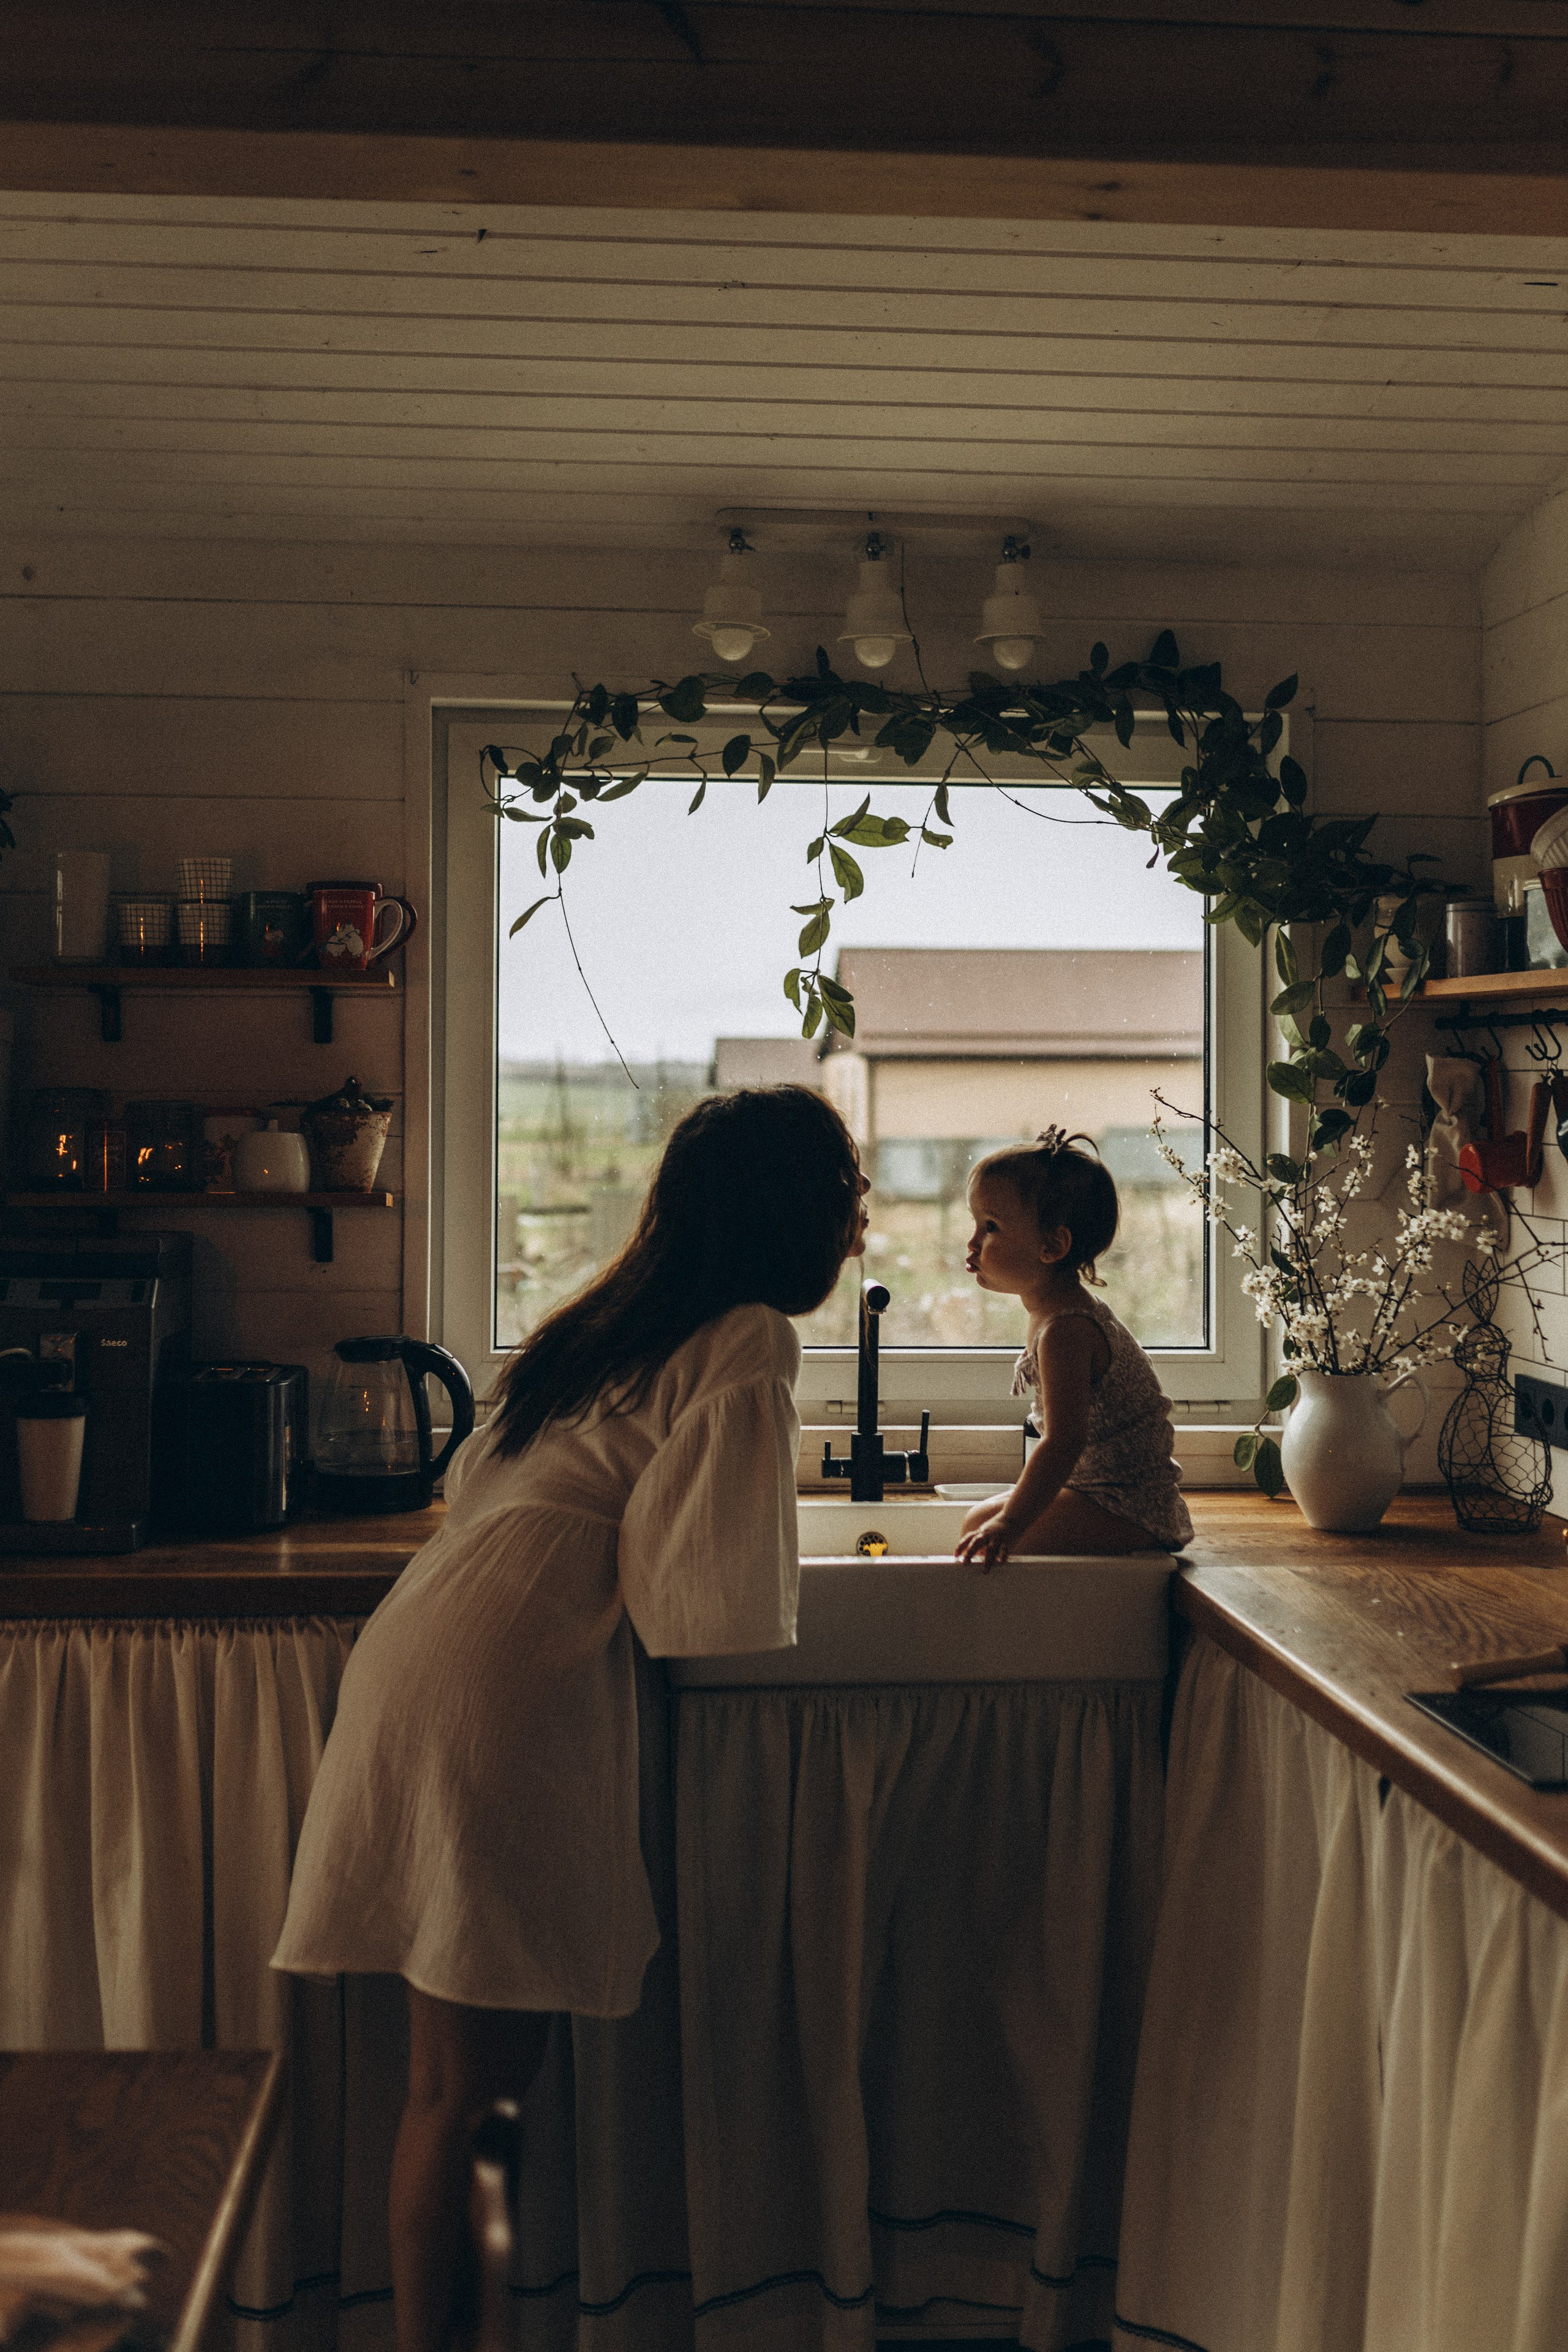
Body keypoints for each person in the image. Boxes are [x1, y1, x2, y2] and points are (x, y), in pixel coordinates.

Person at [271, 1085, 869, 2352]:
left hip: (425, 1643)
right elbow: (697, 1603)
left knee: (443, 2091)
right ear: (789, 1215)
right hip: (510, 1684)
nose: (860, 1222)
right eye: (846, 1197)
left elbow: (505, 1490)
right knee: (474, 2100)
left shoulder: (600, 1324)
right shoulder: (748, 1336)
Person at [954, 1125, 1191, 1567]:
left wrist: (1011, 1523)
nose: (973, 1242)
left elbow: (1063, 1442)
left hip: (1127, 1509)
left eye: (991, 1226)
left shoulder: (1066, 1330)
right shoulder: (1054, 1314)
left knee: (981, 1530)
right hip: (1105, 1495)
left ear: (1052, 1245)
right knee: (977, 1522)